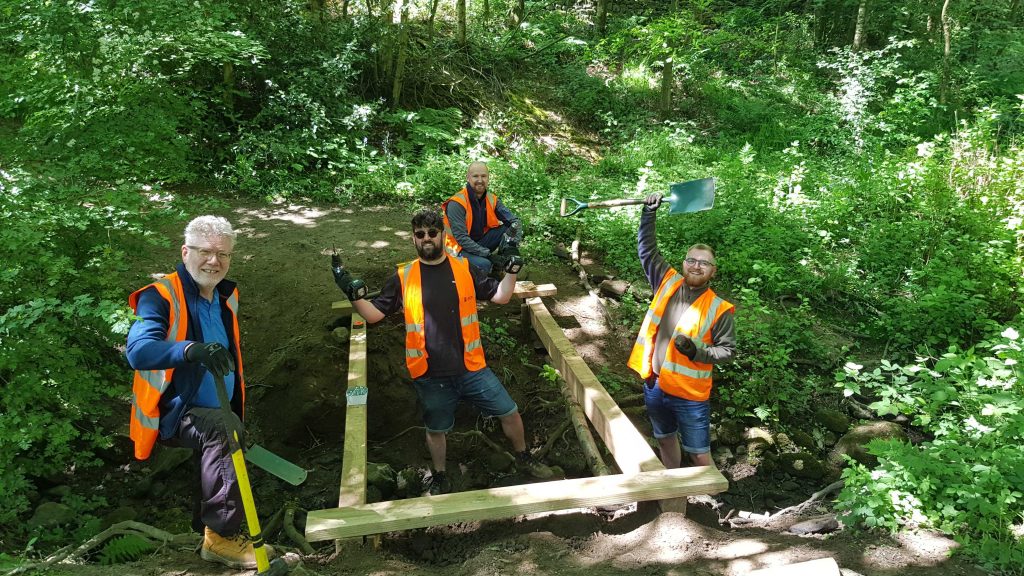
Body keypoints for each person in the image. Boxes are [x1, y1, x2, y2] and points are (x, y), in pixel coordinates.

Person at [333, 209, 552, 495]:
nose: (426, 239)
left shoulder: (463, 268)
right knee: (436, 429)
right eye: (420, 234)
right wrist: (354, 296)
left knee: (509, 412)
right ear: (413, 238)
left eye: (432, 233)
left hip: (472, 368)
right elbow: (374, 316)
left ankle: (524, 459)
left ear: (442, 235)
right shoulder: (403, 276)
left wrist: (511, 273)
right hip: (429, 373)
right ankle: (439, 476)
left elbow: (500, 296)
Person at [125, 215, 275, 569]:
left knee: (224, 435)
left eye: (222, 254)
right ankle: (221, 538)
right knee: (223, 431)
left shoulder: (226, 296)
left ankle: (207, 529)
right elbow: (138, 351)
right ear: (185, 251)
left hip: (215, 406)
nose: (214, 261)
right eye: (205, 252)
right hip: (173, 412)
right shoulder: (158, 296)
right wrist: (189, 350)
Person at [627, 194, 735, 468]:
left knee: (699, 453)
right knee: (664, 438)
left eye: (704, 263)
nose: (696, 265)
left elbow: (727, 350)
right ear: (684, 262)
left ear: (713, 271)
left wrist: (697, 352)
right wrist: (649, 214)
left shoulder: (719, 308)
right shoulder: (667, 281)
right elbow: (647, 250)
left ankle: (710, 500)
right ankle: (671, 488)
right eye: (691, 260)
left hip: (689, 392)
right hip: (654, 382)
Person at [442, 161, 524, 275]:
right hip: (458, 249)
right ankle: (489, 271)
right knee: (485, 265)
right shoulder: (457, 203)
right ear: (468, 178)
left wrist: (512, 247)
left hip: (480, 242)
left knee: (510, 227)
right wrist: (488, 255)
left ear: (488, 178)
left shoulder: (491, 199)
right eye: (475, 176)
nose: (480, 180)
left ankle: (503, 263)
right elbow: (461, 238)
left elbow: (515, 222)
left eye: (483, 176)